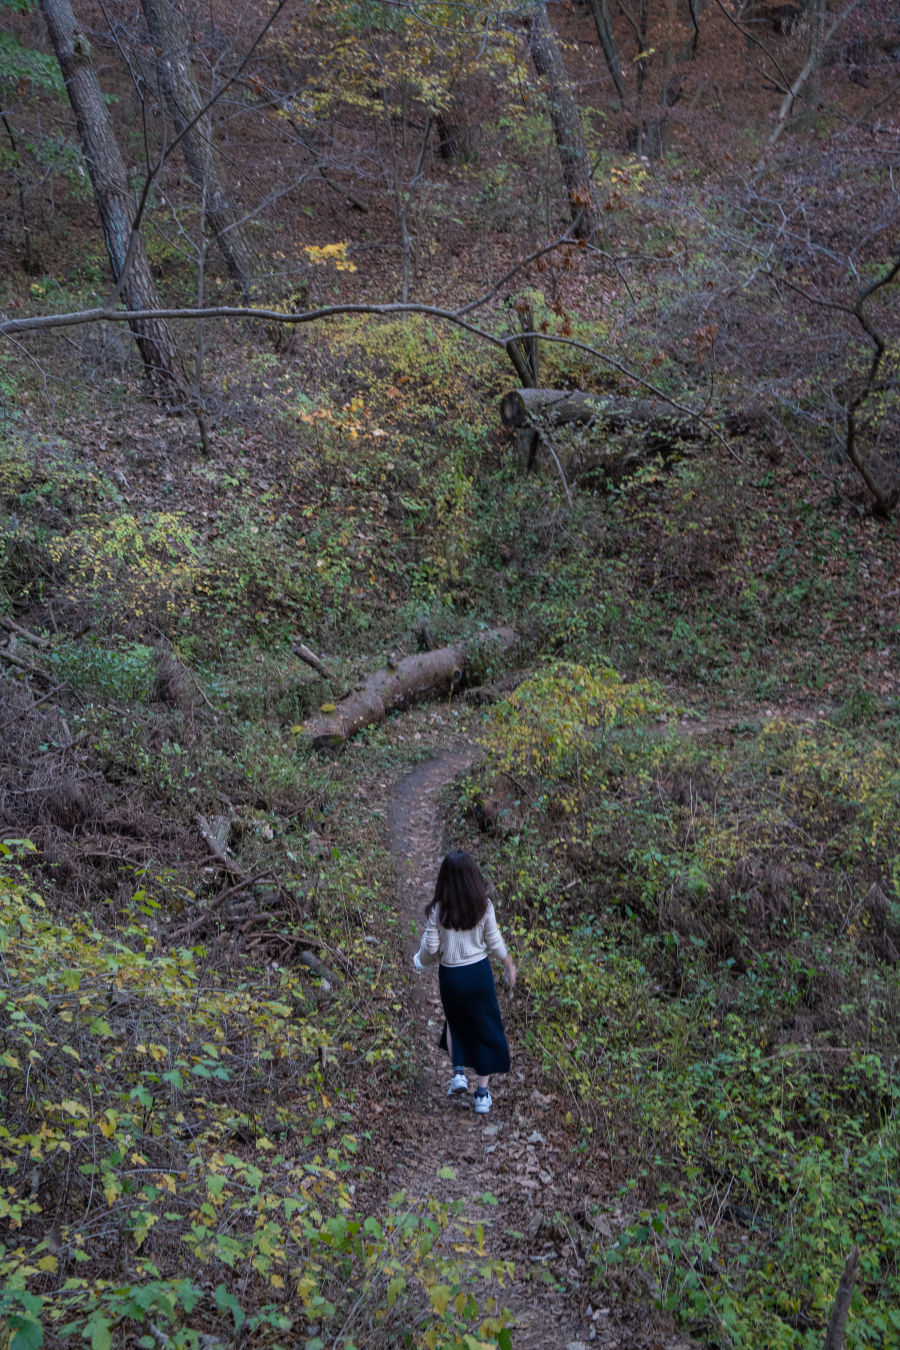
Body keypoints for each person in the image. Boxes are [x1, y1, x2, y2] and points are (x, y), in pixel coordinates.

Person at [413, 849, 516, 1115]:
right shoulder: (484, 906)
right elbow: (494, 941)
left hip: (452, 976)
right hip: (479, 974)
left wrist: (420, 960)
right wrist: (508, 964)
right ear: (473, 877)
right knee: (485, 1026)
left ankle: (458, 1073)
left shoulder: (439, 911)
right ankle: (482, 1094)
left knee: (455, 1020)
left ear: (444, 879)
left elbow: (432, 947)